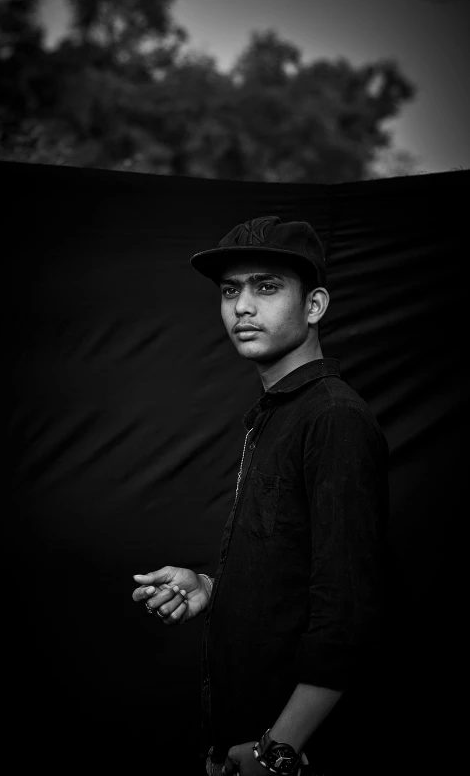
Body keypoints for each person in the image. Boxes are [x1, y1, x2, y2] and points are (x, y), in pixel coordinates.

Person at [132, 217, 389, 776]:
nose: (242, 307)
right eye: (230, 291)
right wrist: (212, 589)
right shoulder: (277, 415)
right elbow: (295, 576)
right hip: (241, 736)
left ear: (315, 305)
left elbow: (349, 615)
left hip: (282, 754)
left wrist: (278, 751)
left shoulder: (333, 419)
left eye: (266, 287)